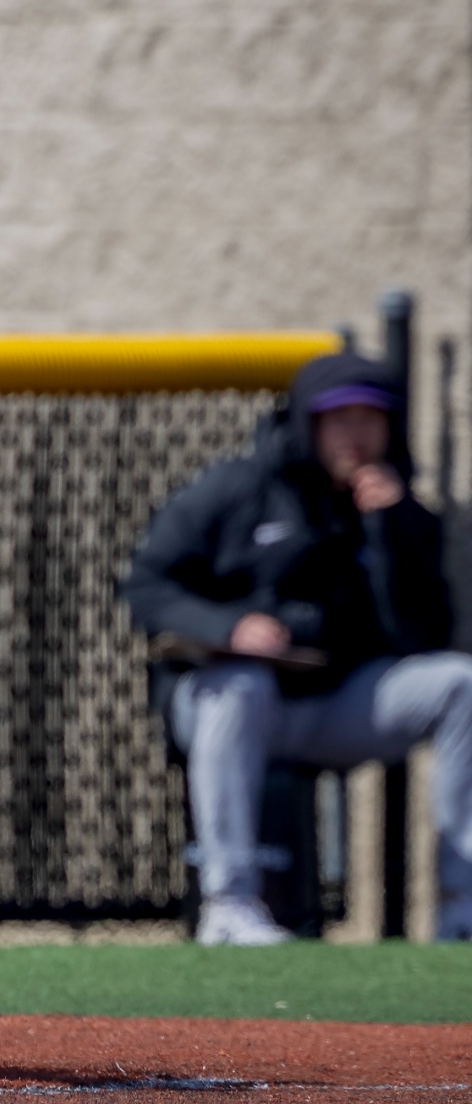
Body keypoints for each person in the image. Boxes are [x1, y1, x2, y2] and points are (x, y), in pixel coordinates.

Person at [124, 351, 472, 946]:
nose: (357, 435)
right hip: (223, 703)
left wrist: (390, 532)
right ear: (309, 423)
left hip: (333, 705)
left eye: (371, 419)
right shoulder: (238, 487)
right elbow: (146, 585)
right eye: (341, 419)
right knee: (243, 683)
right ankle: (229, 906)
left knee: (461, 682)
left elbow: (420, 637)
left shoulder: (397, 512)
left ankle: (459, 909)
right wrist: (231, 628)